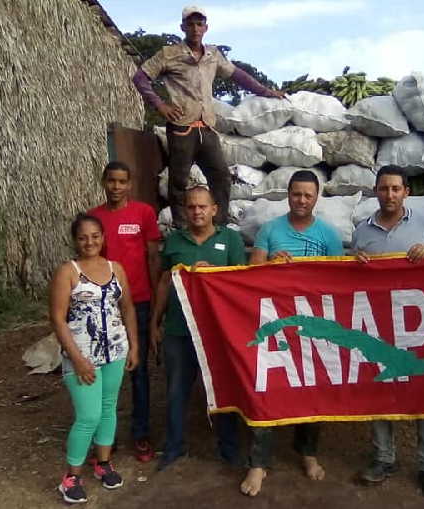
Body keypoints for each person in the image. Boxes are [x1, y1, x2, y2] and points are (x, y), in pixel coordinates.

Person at [132, 5, 286, 227]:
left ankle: (219, 226)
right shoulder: (169, 54)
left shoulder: (213, 55)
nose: (195, 28)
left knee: (221, 176)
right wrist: (160, 105)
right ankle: (183, 228)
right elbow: (140, 78)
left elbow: (238, 75)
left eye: (199, 24)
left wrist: (267, 92)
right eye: (191, 24)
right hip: (182, 126)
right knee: (179, 180)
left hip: (206, 127)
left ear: (206, 27)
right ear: (183, 27)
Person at [241, 169, 343, 496]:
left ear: (316, 198)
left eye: (307, 195)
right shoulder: (270, 230)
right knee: (267, 390)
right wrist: (270, 263)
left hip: (314, 329)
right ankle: (258, 464)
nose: (301, 200)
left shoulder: (329, 235)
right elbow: (250, 273)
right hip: (275, 329)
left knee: (311, 392)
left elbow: (340, 284)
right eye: (296, 194)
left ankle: (308, 454)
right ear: (288, 194)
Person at [351, 166, 424, 499]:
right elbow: (351, 281)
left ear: (406, 191)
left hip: (419, 325)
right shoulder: (362, 231)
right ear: (375, 191)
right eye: (383, 189)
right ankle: (383, 458)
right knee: (379, 387)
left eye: (395, 189)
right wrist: (355, 261)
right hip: (378, 324)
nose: (389, 195)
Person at [149, 185, 247, 471]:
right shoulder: (175, 241)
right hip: (179, 329)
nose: (197, 211)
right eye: (191, 207)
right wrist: (156, 322)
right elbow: (166, 281)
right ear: (185, 210)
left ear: (214, 209)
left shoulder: (230, 239)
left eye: (202, 206)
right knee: (176, 390)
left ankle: (229, 448)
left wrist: (214, 275)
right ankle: (174, 447)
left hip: (216, 331)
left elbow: (240, 282)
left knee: (222, 390)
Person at [49, 213, 140, 504]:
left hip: (115, 350)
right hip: (82, 356)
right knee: (88, 415)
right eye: (83, 237)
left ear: (103, 237)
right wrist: (76, 358)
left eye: (95, 236)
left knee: (108, 407)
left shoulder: (117, 269)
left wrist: (134, 345)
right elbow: (57, 318)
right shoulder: (68, 271)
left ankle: (103, 463)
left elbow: (127, 309)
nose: (89, 242)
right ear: (75, 241)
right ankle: (71, 477)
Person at [88, 161, 161, 463]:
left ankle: (141, 435)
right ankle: (107, 438)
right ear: (104, 182)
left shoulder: (144, 213)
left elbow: (153, 258)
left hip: (140, 303)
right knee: (105, 373)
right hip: (104, 306)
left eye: (122, 181)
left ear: (129, 184)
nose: (116, 187)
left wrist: (157, 301)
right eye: (111, 181)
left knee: (139, 371)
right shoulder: (94, 218)